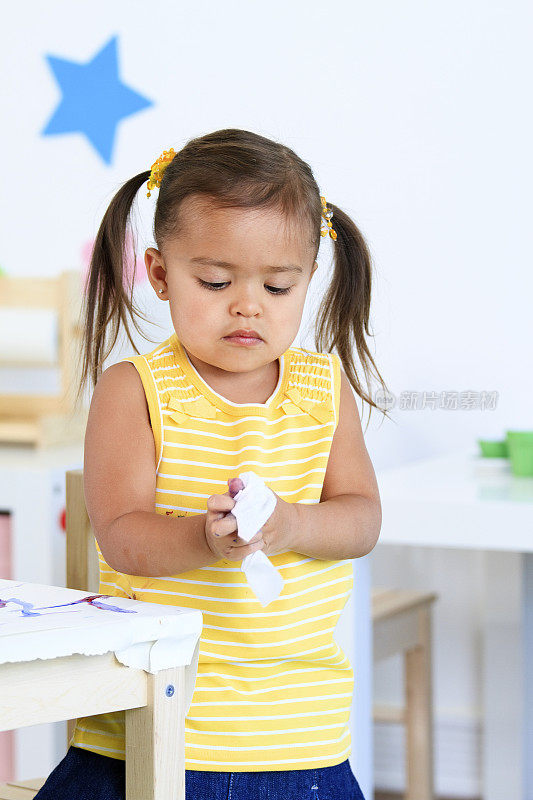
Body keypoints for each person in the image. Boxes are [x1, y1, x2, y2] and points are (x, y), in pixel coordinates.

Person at [35, 128, 389, 800]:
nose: (247, 304)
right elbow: (123, 536)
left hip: (297, 734)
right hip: (153, 731)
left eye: (277, 286)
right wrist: (204, 538)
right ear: (162, 275)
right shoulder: (135, 389)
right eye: (216, 280)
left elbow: (361, 520)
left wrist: (288, 525)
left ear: (308, 279)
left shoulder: (322, 389)